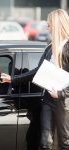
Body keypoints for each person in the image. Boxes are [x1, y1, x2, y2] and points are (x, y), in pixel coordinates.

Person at [1, 43, 52, 150]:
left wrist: (13, 79)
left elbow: (38, 71)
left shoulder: (57, 48)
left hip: (46, 105)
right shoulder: (49, 47)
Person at [44, 9, 69, 150]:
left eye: (49, 24)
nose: (47, 28)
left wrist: (60, 94)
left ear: (57, 24)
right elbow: (38, 72)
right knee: (45, 143)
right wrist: (14, 79)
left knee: (64, 142)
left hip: (64, 101)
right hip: (48, 99)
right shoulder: (50, 47)